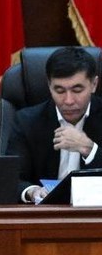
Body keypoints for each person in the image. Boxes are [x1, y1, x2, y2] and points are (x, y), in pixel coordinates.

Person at [6, 46, 102, 203]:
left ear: (94, 84)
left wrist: (89, 149)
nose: (68, 101)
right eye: (60, 90)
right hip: (45, 213)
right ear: (49, 86)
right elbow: (10, 178)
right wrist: (32, 191)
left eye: (77, 90)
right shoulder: (27, 121)